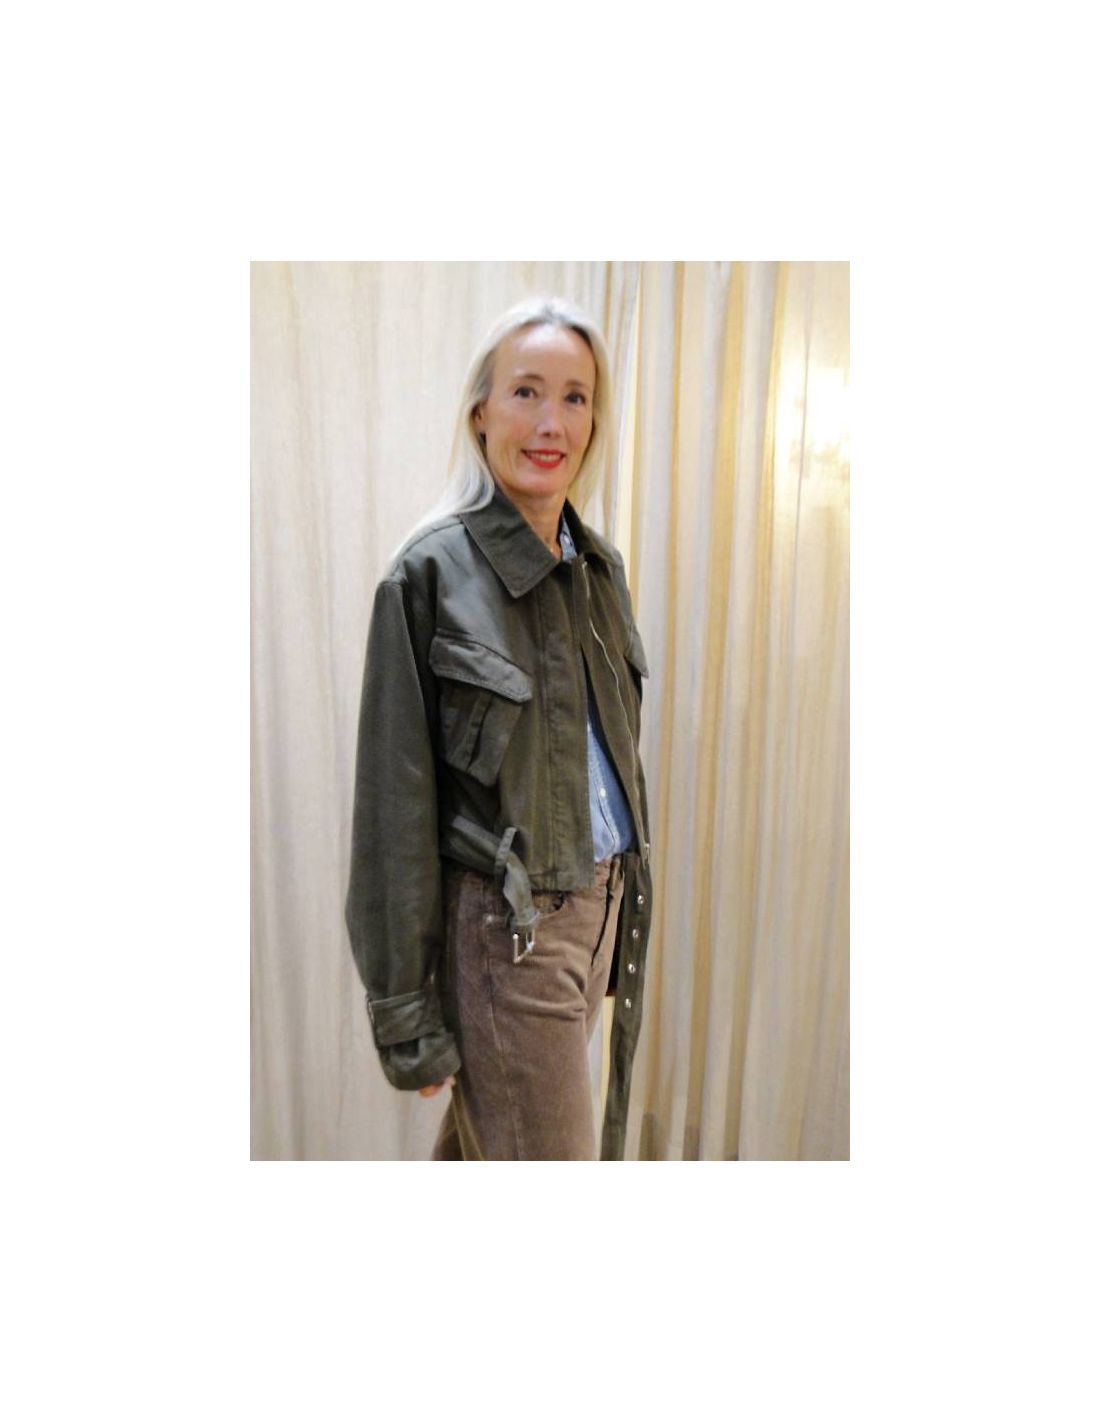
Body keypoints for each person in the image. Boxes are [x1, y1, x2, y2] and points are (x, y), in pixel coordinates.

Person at [344, 295, 653, 1160]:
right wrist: (408, 1013)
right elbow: (392, 810)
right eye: (526, 391)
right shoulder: (428, 575)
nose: (552, 422)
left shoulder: (598, 569)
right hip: (509, 939)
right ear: (480, 410)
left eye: (575, 397)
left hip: (598, 918)